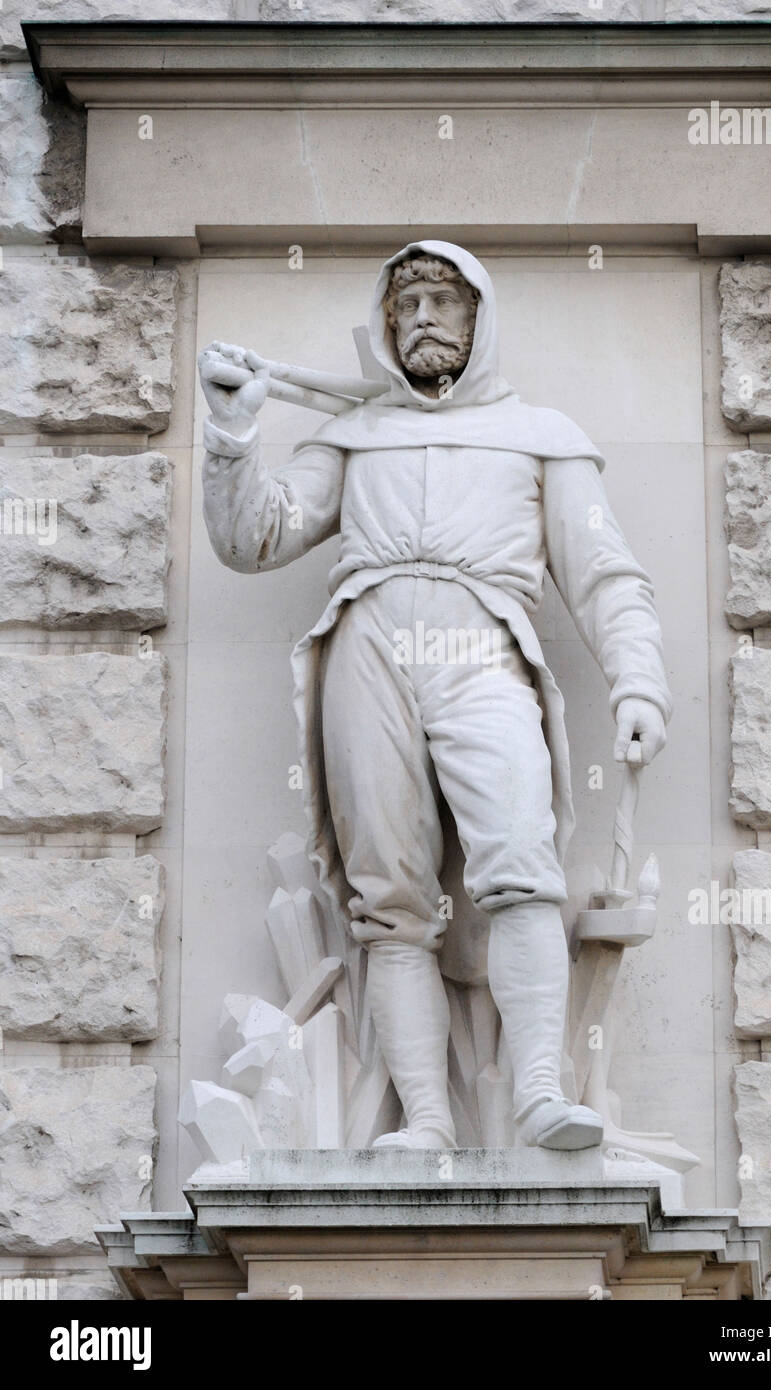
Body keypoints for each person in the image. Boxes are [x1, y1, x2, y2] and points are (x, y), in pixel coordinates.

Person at [200, 241, 671, 1151]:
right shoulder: (353, 434)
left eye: (441, 302)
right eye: (404, 303)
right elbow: (256, 538)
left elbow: (607, 573)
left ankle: (537, 1093)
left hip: (481, 638)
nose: (420, 318)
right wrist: (232, 435)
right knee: (389, 898)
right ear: (385, 326)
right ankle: (422, 1118)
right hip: (366, 643)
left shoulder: (542, 434)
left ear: (478, 319)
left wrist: (638, 679)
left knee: (521, 860)